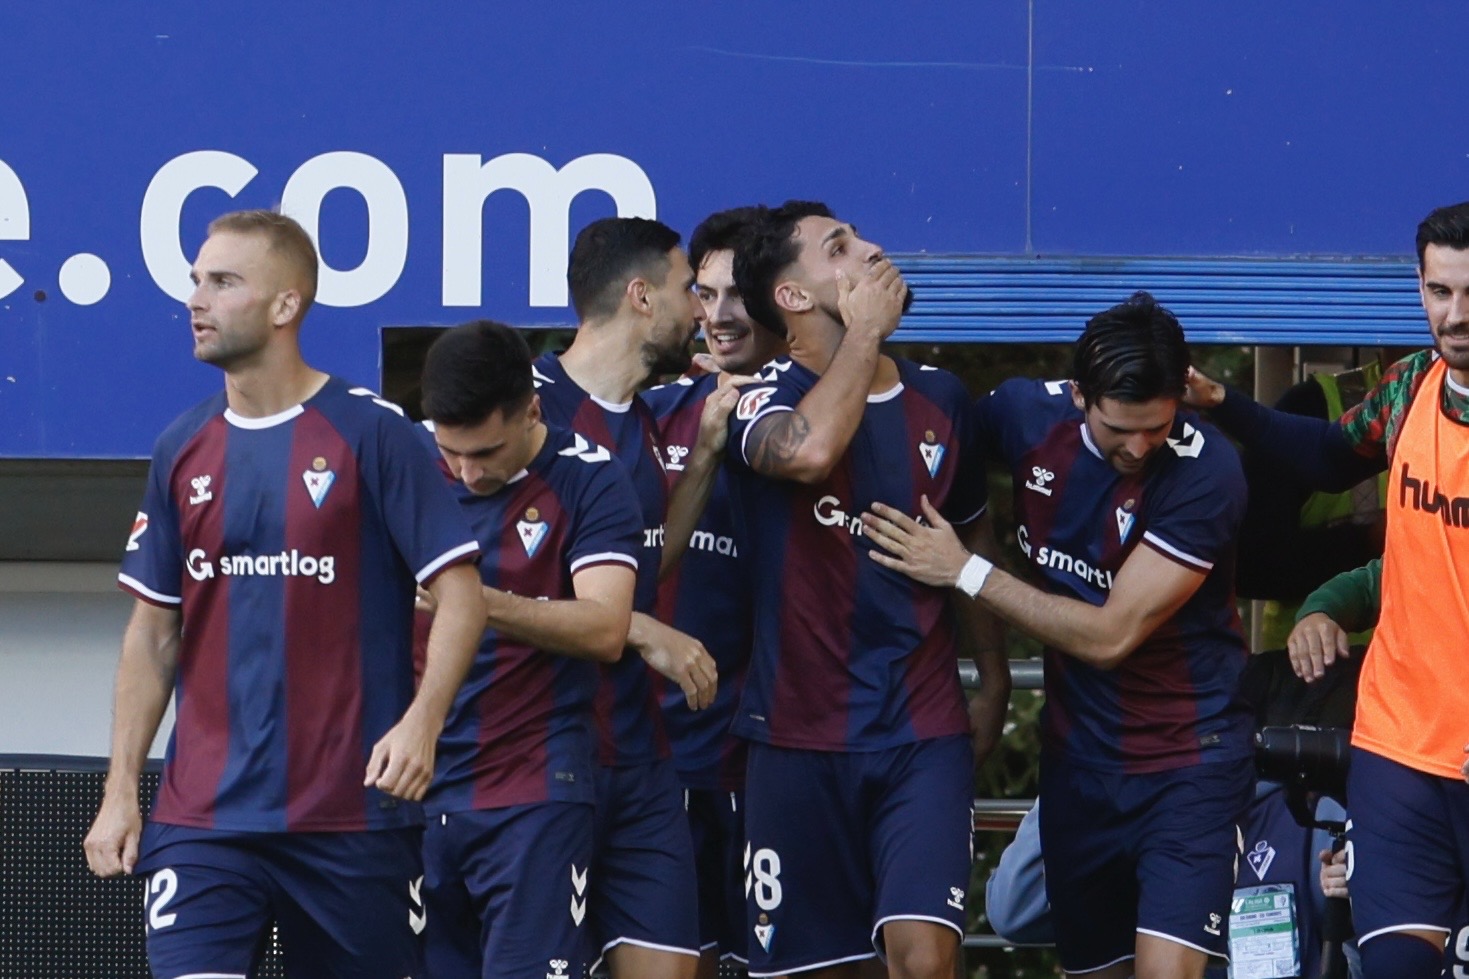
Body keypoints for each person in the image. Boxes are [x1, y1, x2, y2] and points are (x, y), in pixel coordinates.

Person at [82, 209, 486, 977]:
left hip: (351, 819)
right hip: (203, 818)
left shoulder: (375, 433)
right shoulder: (181, 446)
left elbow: (459, 594)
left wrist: (422, 723)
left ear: (285, 305)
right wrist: (119, 790)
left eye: (223, 282)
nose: (196, 298)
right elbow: (152, 632)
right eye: (196, 280)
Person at [863, 292, 1255, 979]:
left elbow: (1109, 636)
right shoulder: (1021, 414)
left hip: (1189, 761)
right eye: (1117, 429)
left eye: (1156, 427)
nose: (1138, 448)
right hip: (1077, 761)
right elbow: (924, 439)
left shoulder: (1207, 470)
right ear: (1077, 395)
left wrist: (966, 570)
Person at [724, 201, 1008, 979]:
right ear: (790, 297)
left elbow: (972, 539)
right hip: (792, 738)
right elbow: (810, 452)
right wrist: (863, 334)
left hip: (920, 729)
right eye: (840, 249)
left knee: (923, 960)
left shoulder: (942, 399)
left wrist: (988, 676)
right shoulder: (758, 401)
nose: (874, 250)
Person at [1185, 201, 1469, 978]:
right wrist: (1224, 404)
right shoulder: (1412, 385)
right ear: (1417, 288)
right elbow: (1327, 457)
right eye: (1440, 292)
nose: (1457, 315)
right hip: (1398, 751)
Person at [533, 216, 732, 979]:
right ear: (642, 296)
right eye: (690, 290)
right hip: (547, 756)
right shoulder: (528, 410)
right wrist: (644, 628)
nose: (703, 313)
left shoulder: (646, 420)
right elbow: (486, 591)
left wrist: (708, 454)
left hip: (644, 756)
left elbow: (642, 564)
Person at [414, 320, 645, 977]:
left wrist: (469, 601)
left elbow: (604, 627)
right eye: (450, 450)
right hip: (407, 787)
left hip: (532, 787)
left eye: (484, 451)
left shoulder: (589, 478)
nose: (465, 471)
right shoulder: (400, 460)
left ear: (533, 410)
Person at [643, 205, 789, 978]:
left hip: (774, 767)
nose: (720, 313)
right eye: (704, 292)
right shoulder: (651, 417)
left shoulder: (818, 434)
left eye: (741, 293)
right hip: (654, 766)